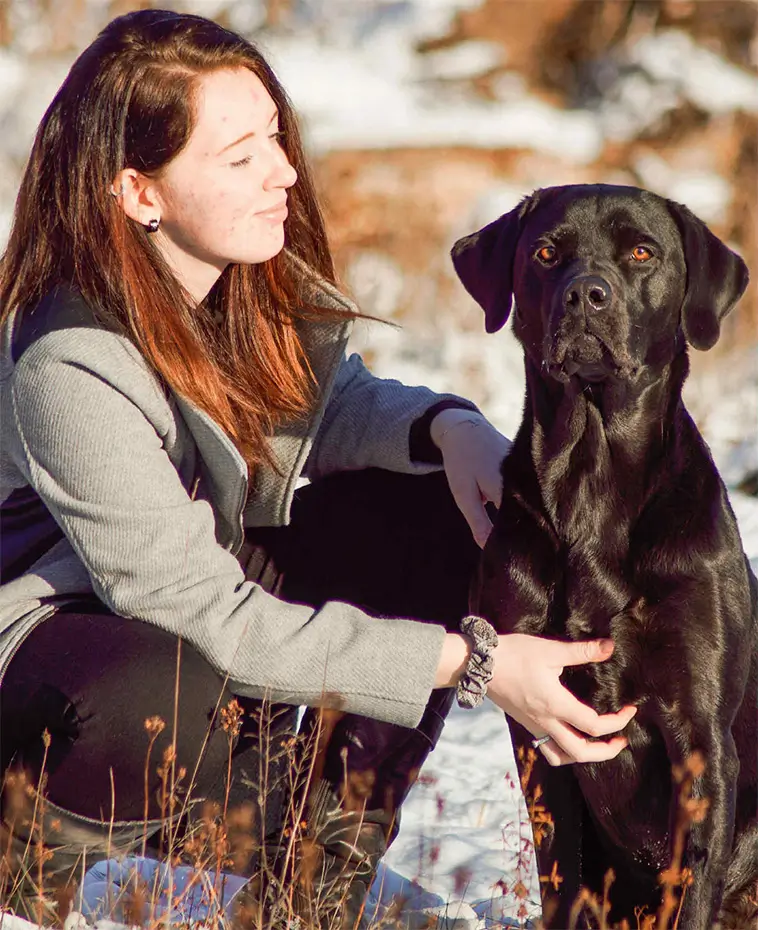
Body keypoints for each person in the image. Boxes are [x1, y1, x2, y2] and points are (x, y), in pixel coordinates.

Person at [0, 9, 637, 927]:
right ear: (139, 193)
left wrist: (448, 429)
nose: (284, 172)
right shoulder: (69, 363)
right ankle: (30, 853)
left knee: (430, 506)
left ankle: (316, 878)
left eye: (275, 137)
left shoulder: (233, 280)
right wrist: (475, 663)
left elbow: (330, 408)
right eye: (240, 156)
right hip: (56, 650)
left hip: (177, 606)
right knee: (166, 698)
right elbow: (212, 618)